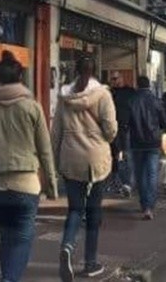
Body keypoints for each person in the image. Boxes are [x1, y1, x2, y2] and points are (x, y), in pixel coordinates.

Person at [0, 51, 58, 282]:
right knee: (21, 237)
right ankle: (9, 279)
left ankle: (7, 277)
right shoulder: (32, 107)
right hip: (26, 183)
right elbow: (45, 150)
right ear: (20, 77)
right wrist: (51, 185)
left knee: (5, 235)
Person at [54, 56, 117, 281]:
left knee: (74, 210)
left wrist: (54, 161)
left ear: (75, 69)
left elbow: (56, 131)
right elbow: (110, 131)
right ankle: (90, 263)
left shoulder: (64, 96)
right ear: (95, 70)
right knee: (93, 212)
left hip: (70, 158)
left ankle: (67, 245)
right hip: (96, 160)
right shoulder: (103, 95)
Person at [128, 76, 166, 220]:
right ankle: (150, 206)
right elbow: (164, 122)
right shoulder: (156, 100)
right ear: (149, 85)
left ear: (137, 85)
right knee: (152, 174)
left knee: (140, 175)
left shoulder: (132, 100)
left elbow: (126, 121)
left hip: (136, 142)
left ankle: (144, 204)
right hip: (153, 141)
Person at [109, 72, 136, 197]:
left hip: (126, 129)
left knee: (126, 155)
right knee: (116, 156)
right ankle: (118, 182)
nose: (114, 81)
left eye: (116, 78)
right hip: (113, 129)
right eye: (112, 79)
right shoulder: (109, 93)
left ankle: (127, 183)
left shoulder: (129, 92)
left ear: (121, 78)